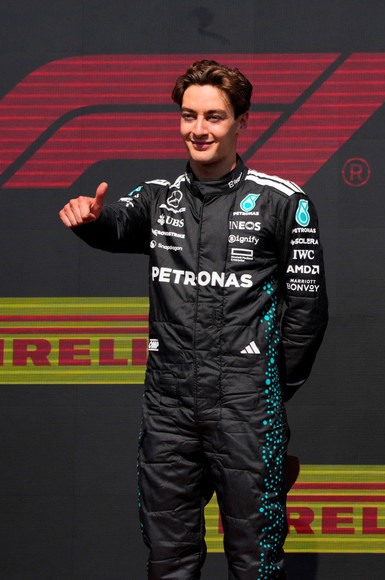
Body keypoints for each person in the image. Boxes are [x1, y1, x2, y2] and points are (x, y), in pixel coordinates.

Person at [59, 60, 328, 579]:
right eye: (188, 116)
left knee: (256, 563)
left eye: (214, 117)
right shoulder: (159, 196)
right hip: (169, 408)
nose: (198, 130)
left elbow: (307, 313)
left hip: (247, 408)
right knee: (168, 561)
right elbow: (117, 223)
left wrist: (268, 386)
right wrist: (92, 221)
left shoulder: (283, 201)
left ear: (241, 121)